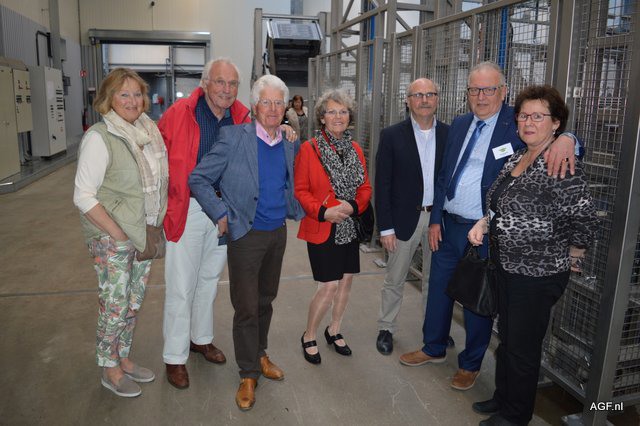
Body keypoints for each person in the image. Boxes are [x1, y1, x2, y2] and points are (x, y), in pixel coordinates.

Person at [400, 61, 580, 392]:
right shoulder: (460, 123)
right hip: (450, 225)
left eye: (488, 89)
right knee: (438, 289)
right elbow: (444, 175)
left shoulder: (518, 124)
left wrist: (568, 138)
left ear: (503, 91)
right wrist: (436, 219)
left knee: (477, 298)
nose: (480, 96)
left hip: (486, 232)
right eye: (474, 89)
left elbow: (553, 133)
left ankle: (470, 364)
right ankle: (433, 347)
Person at [468, 85, 597, 426]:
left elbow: (584, 220)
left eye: (538, 116)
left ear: (556, 123)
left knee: (522, 347)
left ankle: (515, 415)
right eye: (524, 115)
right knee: (508, 340)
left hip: (537, 275)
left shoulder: (561, 163)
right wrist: (484, 222)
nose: (528, 122)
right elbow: (501, 205)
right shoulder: (518, 157)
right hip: (507, 268)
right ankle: (503, 398)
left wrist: (573, 255)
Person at [189, 75, 305, 411]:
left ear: (285, 107)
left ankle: (260, 353)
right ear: (254, 106)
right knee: (246, 307)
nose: (272, 108)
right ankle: (248, 373)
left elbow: (292, 181)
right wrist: (220, 212)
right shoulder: (233, 137)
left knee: (266, 300)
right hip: (246, 235)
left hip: (277, 233)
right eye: (266, 102)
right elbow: (198, 178)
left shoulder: (289, 141)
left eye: (278, 102)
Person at [73, 68, 168, 397]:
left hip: (143, 231)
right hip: (112, 236)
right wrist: (118, 234)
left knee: (133, 302)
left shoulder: (146, 132)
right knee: (115, 305)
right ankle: (108, 367)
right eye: (123, 94)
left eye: (137, 94)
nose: (132, 100)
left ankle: (123, 357)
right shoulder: (100, 137)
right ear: (108, 99)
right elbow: (83, 196)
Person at [158, 58, 249, 390]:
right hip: (189, 208)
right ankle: (174, 356)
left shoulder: (242, 117)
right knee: (181, 285)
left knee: (209, 280)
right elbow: (156, 156)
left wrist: (285, 129)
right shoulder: (179, 113)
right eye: (220, 82)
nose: (226, 89)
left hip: (224, 212)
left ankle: (200, 339)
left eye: (232, 84)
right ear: (205, 83)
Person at [295, 89, 372, 364]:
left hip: (348, 225)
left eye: (343, 111)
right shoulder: (309, 149)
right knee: (328, 285)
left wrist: (352, 206)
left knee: (346, 281)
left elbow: (365, 187)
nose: (338, 116)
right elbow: (301, 190)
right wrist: (324, 212)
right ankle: (309, 334)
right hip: (322, 225)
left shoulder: (356, 149)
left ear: (349, 116)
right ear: (322, 117)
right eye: (331, 111)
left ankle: (334, 329)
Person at [374, 78, 449, 355]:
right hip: (403, 220)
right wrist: (386, 228)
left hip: (438, 220)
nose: (424, 100)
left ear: (437, 98)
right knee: (395, 278)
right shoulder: (392, 135)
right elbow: (382, 184)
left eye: (430, 94)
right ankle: (386, 327)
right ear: (408, 101)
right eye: (418, 95)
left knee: (435, 280)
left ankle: (434, 330)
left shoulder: (450, 134)